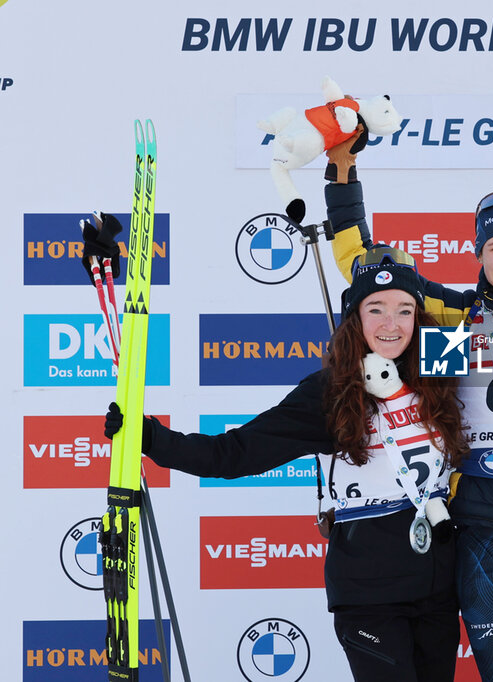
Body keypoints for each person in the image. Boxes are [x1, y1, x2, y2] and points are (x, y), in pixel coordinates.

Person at [104, 248, 469, 682]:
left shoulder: (441, 369)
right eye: (377, 309)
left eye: (404, 309)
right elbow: (236, 452)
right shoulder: (331, 392)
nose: (392, 324)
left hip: (440, 589)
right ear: (354, 316)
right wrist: (151, 439)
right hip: (371, 594)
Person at [322, 138, 493, 681]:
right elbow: (364, 267)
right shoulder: (455, 318)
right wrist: (342, 178)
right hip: (484, 532)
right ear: (478, 253)